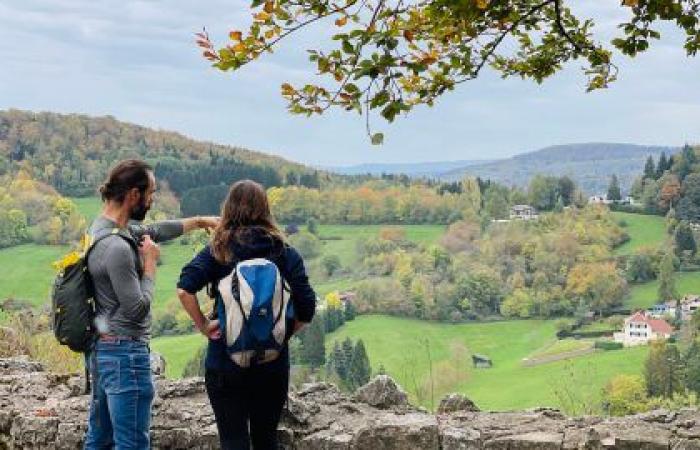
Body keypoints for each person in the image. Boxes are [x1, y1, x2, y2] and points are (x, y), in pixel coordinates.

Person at [84, 159, 219, 450]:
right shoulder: (118, 247)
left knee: (99, 440)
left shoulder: (101, 229)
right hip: (126, 354)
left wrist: (198, 222)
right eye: (151, 193)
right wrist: (150, 263)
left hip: (103, 350)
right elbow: (137, 308)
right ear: (134, 195)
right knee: (132, 443)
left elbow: (154, 231)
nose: (152, 199)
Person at [177, 179, 316, 450]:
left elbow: (184, 290)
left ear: (228, 209)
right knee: (266, 440)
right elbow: (307, 309)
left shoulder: (218, 250)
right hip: (272, 363)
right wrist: (281, 334)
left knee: (233, 441)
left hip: (225, 361)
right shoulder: (284, 252)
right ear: (265, 210)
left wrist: (205, 325)